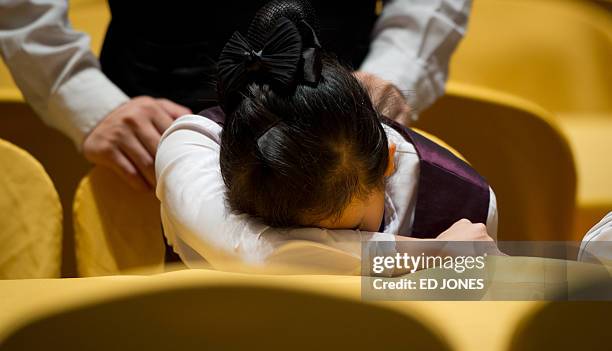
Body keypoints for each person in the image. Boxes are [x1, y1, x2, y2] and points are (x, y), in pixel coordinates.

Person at [155, 0, 497, 269]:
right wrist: (428, 253)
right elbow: (249, 254)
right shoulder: (193, 148)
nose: (325, 243)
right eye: (281, 228)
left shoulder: (466, 202)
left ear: (388, 161)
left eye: (356, 230)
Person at [0, 0, 472, 191]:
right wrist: (78, 93)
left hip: (345, 119)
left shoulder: (459, 199)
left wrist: (396, 66)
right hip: (150, 131)